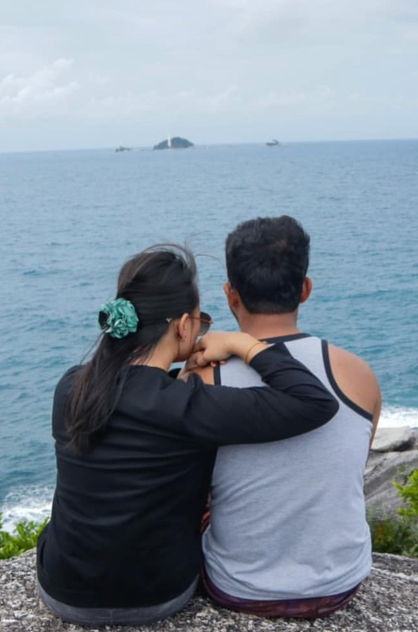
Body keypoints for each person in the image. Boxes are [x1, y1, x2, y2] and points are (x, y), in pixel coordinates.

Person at [36, 244, 338, 626]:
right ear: (182, 326)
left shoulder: (71, 387)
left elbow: (136, 406)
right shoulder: (188, 405)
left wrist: (177, 379)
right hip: (158, 595)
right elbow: (314, 403)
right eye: (201, 321)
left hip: (64, 591)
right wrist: (243, 344)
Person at [193, 216, 381, 618]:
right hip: (339, 582)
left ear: (231, 295)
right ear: (306, 289)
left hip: (238, 587)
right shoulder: (357, 373)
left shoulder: (204, 375)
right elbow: (351, 468)